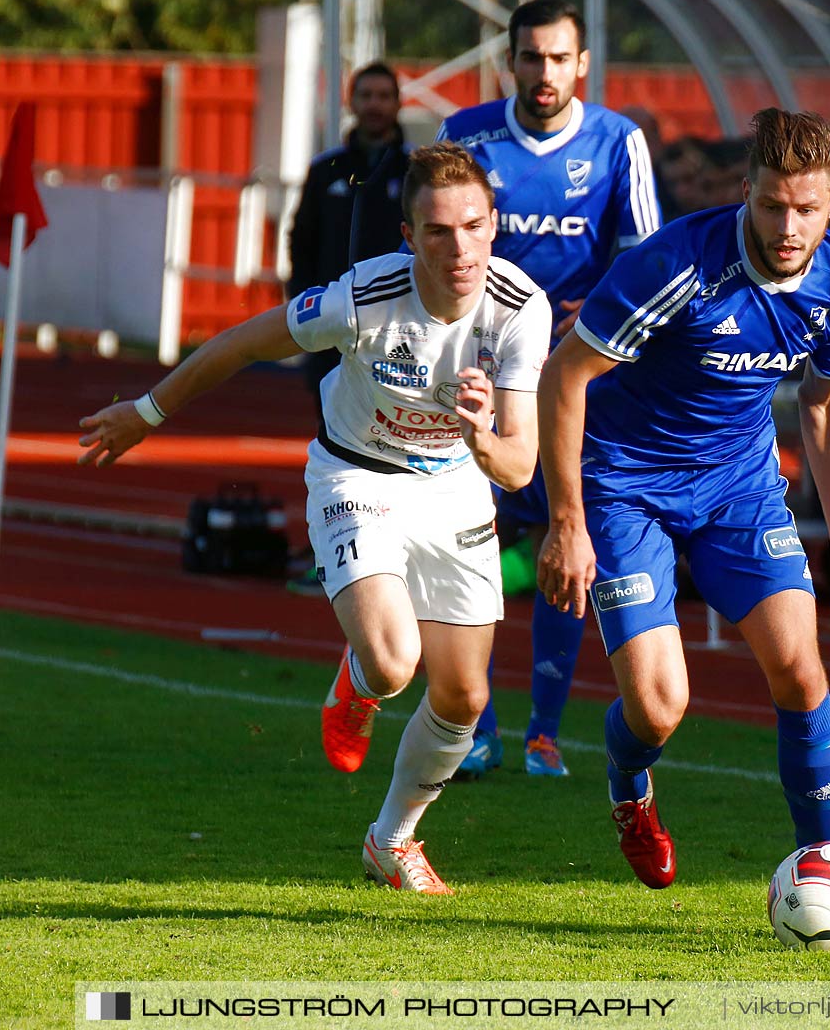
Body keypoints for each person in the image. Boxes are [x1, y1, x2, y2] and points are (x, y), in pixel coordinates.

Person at [79, 143, 550, 894]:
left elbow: (521, 466)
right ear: (408, 236)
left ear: (495, 225)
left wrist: (477, 435)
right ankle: (358, 682)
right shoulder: (361, 297)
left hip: (458, 481)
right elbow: (241, 343)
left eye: (472, 226)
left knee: (465, 697)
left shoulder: (520, 309)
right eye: (436, 231)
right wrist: (146, 411)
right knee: (395, 663)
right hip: (356, 472)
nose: (457, 247)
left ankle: (391, 842)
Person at [536, 107, 830, 889]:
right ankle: (631, 787)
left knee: (799, 670)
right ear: (745, 194)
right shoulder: (676, 266)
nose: (788, 225)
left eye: (806, 208)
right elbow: (564, 376)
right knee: (661, 707)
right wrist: (568, 523)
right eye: (771, 205)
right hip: (628, 488)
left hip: (740, 489)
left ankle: (821, 871)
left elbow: (826, 403)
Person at [435, 0, 661, 780]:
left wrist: (589, 313)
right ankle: (477, 726)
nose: (543, 73)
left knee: (564, 538)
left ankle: (544, 732)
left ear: (583, 64)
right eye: (530, 57)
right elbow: (434, 240)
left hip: (568, 381)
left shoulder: (618, 143)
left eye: (558, 58)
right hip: (475, 373)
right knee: (464, 541)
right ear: (511, 60)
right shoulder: (464, 135)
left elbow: (644, 263)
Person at [287, 61, 411, 420]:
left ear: (398, 103)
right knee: (332, 427)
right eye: (366, 96)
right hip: (334, 319)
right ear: (351, 102)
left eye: (384, 96)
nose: (375, 105)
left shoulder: (415, 171)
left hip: (397, 324)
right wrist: (303, 299)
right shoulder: (325, 170)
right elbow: (301, 241)